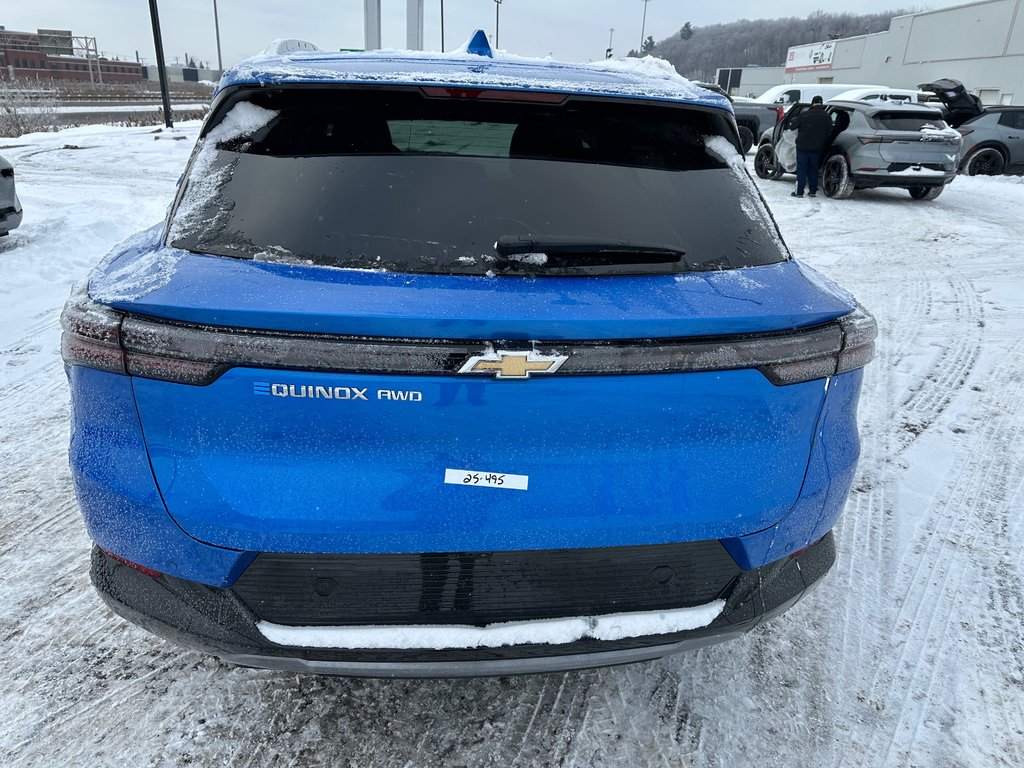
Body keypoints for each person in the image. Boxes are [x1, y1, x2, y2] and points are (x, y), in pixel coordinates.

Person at [790, 95, 832, 198]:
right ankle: (812, 191)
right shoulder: (827, 116)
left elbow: (792, 126)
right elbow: (829, 132)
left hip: (802, 147)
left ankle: (799, 192)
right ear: (821, 104)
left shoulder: (805, 115)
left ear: (812, 103)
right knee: (813, 169)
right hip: (817, 148)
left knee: (801, 169)